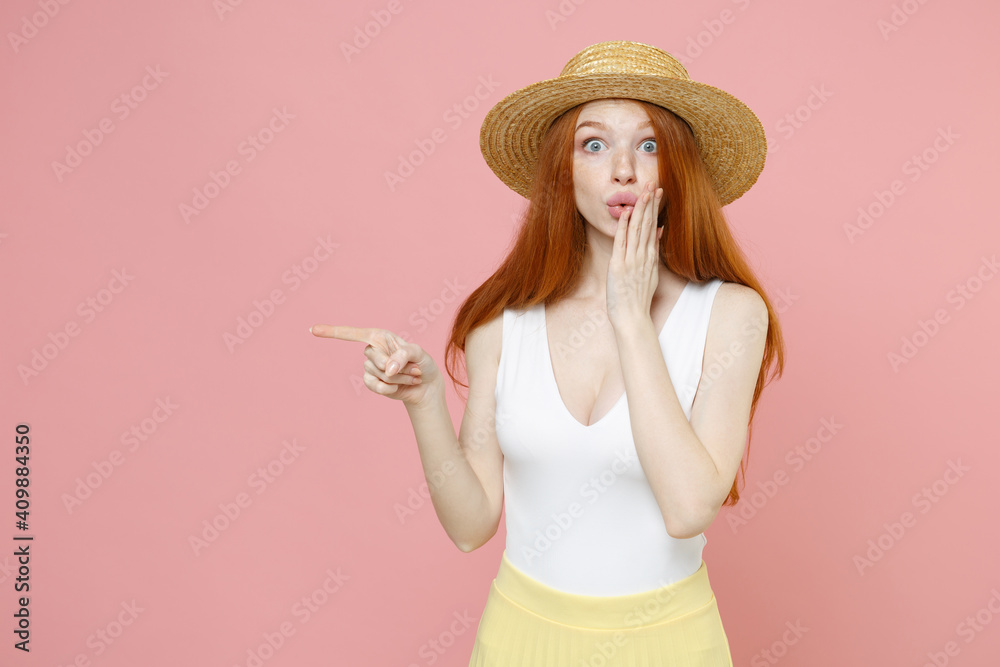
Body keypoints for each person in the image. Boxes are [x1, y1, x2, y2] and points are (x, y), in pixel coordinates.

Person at [311, 40, 785, 666]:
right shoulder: (503, 326)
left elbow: (689, 508)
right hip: (520, 641)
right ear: (563, 171)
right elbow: (471, 525)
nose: (623, 170)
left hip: (669, 643)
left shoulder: (730, 314)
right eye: (593, 144)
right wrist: (424, 401)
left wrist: (631, 321)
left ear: (678, 167)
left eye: (649, 145)